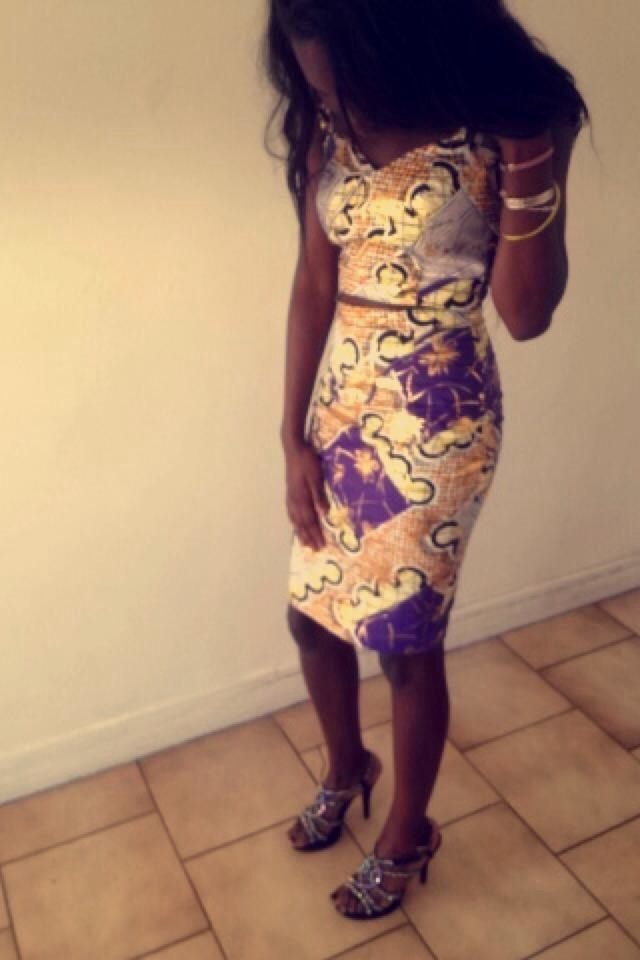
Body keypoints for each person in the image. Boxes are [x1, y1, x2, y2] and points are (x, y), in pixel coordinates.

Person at [264, 0, 589, 920]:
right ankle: (347, 767)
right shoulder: (327, 130)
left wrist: (529, 160)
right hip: (342, 406)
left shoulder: (503, 125)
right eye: (319, 91)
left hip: (439, 413)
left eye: (345, 86)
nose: (334, 107)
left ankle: (408, 832)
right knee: (311, 619)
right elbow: (313, 283)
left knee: (405, 642)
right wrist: (290, 435)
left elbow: (525, 314)